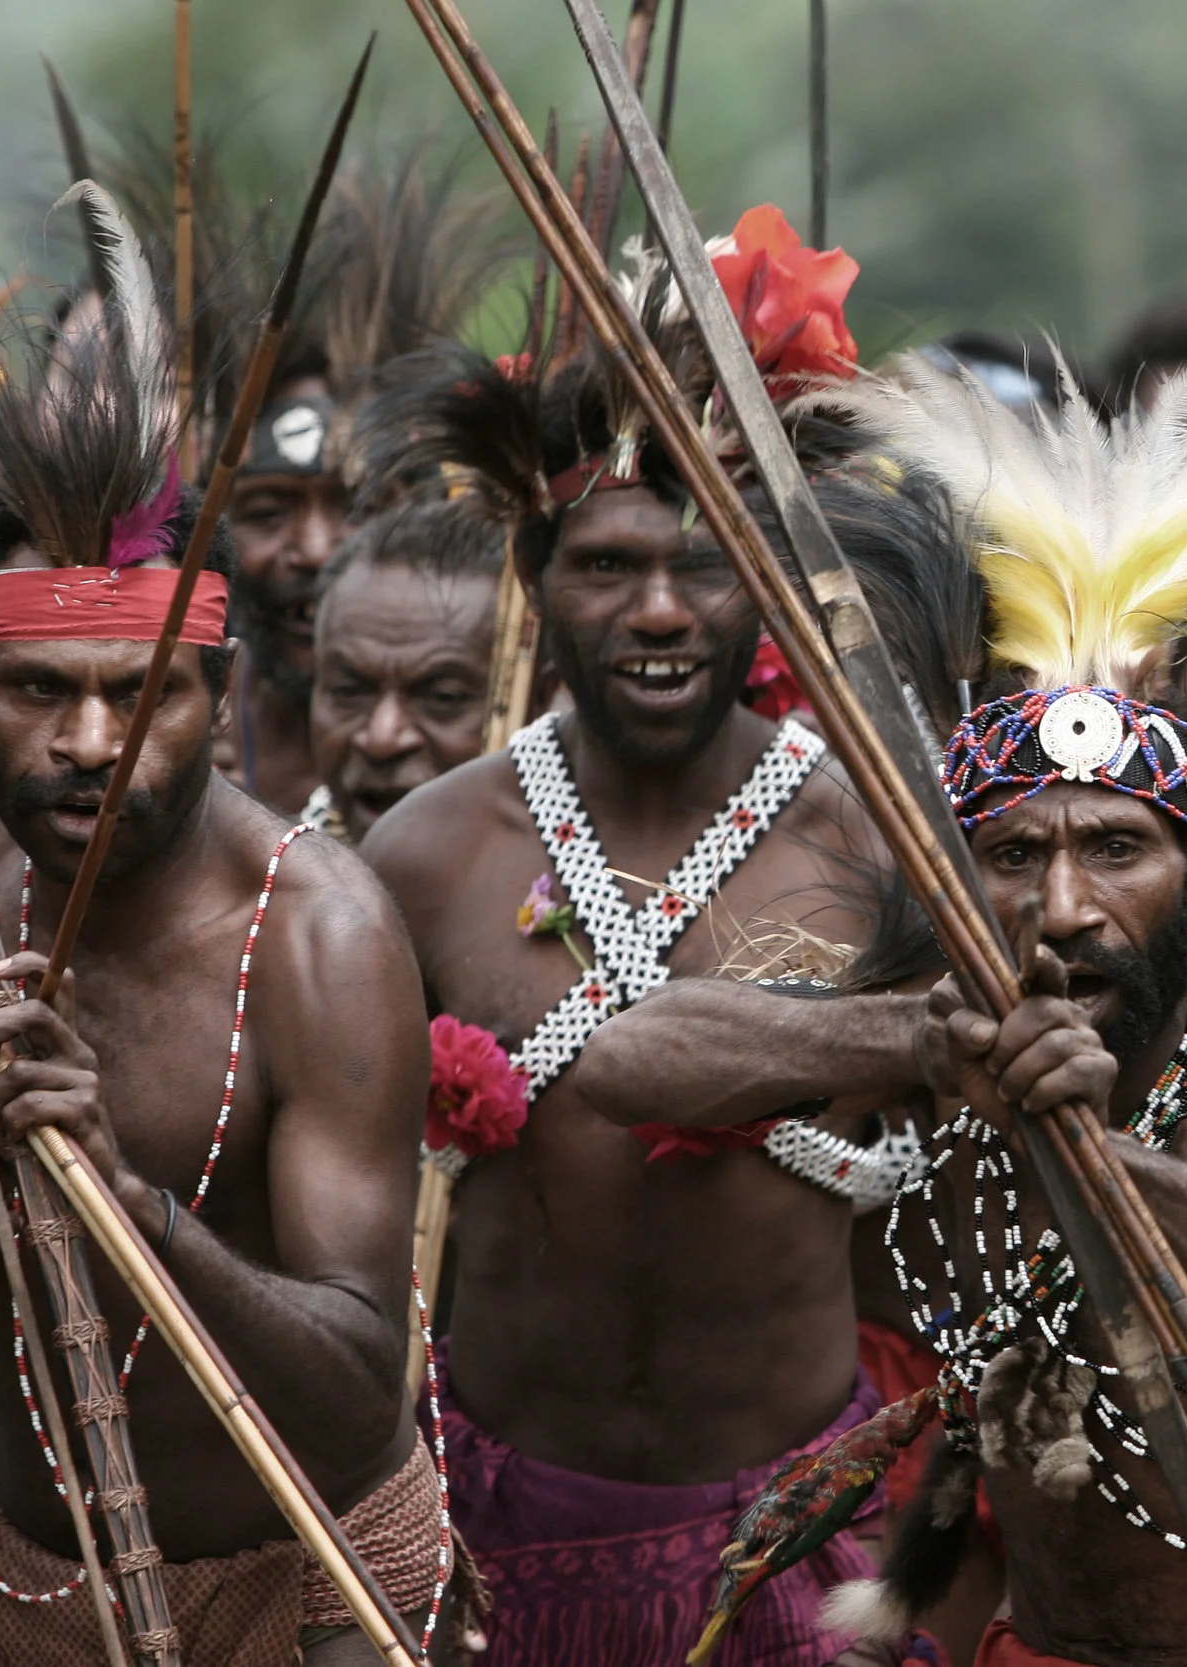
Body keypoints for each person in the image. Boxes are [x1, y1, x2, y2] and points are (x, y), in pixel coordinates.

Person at [633, 350, 1187, 1667]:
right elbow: (633, 1057)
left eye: (1116, 850)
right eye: (1015, 855)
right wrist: (910, 1039)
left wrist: (1083, 1144)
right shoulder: (959, 1011)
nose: (1063, 905)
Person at [0, 200, 442, 1665]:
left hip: (310, 1585)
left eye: (140, 691)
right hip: (34, 1579)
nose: (91, 742)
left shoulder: (319, 934)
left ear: (218, 702)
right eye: (39, 690)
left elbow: (360, 1390)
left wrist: (122, 1199)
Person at [355, 204, 931, 1667]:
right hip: (493, 1543)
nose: (661, 610)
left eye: (705, 562)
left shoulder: (878, 837)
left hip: (799, 1539)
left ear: (768, 574)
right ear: (533, 578)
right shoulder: (425, 855)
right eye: (607, 567)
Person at [95, 147, 513, 813]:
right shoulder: (153, 733)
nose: (315, 549)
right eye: (269, 511)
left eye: (357, 505)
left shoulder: (513, 732)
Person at [303, 496, 504, 845]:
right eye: (349, 692)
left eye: (444, 697)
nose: (382, 739)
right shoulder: (269, 873)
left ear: (541, 699)